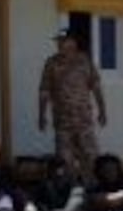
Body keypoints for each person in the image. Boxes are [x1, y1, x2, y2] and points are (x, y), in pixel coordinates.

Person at [38, 29, 107, 186]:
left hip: (84, 120)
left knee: (90, 156)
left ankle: (93, 187)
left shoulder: (85, 61)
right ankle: (69, 190)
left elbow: (96, 87)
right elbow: (44, 91)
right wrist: (41, 115)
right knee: (65, 159)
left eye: (64, 41)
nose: (60, 44)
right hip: (63, 121)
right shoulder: (52, 63)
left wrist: (102, 111)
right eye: (59, 42)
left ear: (73, 42)